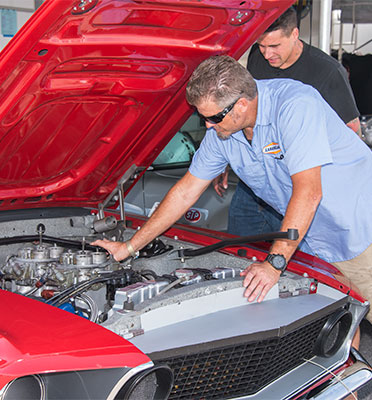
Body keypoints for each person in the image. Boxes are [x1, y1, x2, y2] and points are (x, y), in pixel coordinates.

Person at [92, 55, 372, 333]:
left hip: (359, 230)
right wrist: (129, 247)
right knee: (337, 320)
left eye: (212, 118)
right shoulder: (224, 134)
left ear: (241, 104)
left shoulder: (295, 106)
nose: (207, 127)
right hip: (308, 237)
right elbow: (185, 192)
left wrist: (274, 264)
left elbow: (309, 193)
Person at [213, 7, 361, 237]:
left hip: (297, 185)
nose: (266, 54)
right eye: (261, 45)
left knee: (296, 263)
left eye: (274, 46)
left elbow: (351, 133)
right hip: (254, 186)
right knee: (238, 253)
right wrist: (226, 160)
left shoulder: (327, 72)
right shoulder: (256, 57)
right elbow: (243, 114)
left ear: (294, 34)